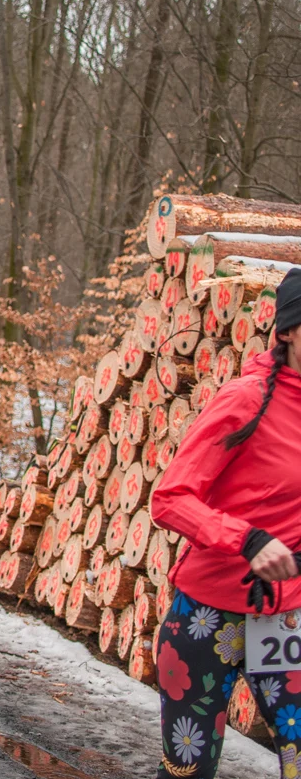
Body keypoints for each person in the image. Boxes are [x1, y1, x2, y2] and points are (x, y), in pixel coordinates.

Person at [148, 268, 301, 779]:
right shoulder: (246, 398)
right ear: (288, 330)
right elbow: (170, 499)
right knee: (189, 770)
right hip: (206, 617)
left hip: (288, 618)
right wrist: (248, 539)